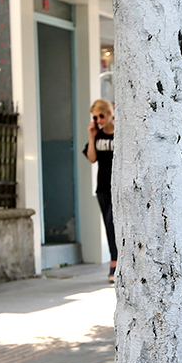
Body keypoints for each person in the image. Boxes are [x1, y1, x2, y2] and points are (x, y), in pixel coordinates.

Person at [84, 99, 116, 282]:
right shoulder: (97, 135)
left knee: (113, 222)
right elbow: (91, 158)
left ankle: (115, 261)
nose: (99, 119)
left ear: (110, 113)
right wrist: (91, 136)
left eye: (101, 115)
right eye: (95, 117)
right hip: (102, 187)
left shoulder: (120, 134)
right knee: (108, 224)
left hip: (118, 188)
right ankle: (115, 259)